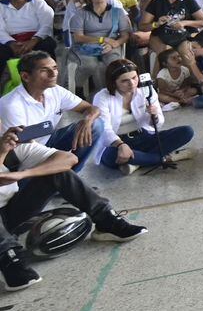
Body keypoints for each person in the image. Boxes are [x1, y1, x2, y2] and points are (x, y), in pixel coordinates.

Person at [0, 123, 146, 293]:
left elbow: (69, 160)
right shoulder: (5, 149)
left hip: (12, 214)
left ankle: (106, 220)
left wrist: (22, 174)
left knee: (57, 170)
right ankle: (8, 258)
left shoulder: (15, 148)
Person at [0, 51, 113, 172]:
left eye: (54, 68)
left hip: (47, 139)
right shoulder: (11, 104)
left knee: (96, 125)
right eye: (44, 70)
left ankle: (70, 174)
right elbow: (22, 146)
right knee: (59, 161)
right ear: (26, 76)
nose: (53, 74)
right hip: (22, 152)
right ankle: (53, 177)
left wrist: (87, 121)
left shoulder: (55, 90)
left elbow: (92, 109)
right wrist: (58, 158)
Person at [91, 58, 197, 170]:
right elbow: (104, 128)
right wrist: (120, 145)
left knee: (187, 131)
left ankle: (137, 162)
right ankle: (168, 158)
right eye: (124, 81)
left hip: (143, 136)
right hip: (116, 142)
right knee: (110, 156)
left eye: (134, 78)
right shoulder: (102, 97)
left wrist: (155, 116)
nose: (131, 83)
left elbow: (158, 123)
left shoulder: (146, 91)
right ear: (113, 82)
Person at [64, 0, 131, 93]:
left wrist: (115, 43)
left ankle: (115, 92)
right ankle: (79, 89)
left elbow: (125, 34)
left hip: (111, 46)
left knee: (114, 64)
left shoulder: (118, 12)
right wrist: (102, 39)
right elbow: (78, 37)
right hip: (86, 46)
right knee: (92, 65)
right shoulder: (80, 14)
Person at [0, 0, 60, 67]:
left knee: (47, 45)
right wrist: (12, 43)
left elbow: (46, 24)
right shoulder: (1, 6)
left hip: (36, 38)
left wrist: (33, 41)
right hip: (11, 40)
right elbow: (0, 30)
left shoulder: (38, 3)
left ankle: (48, 76)